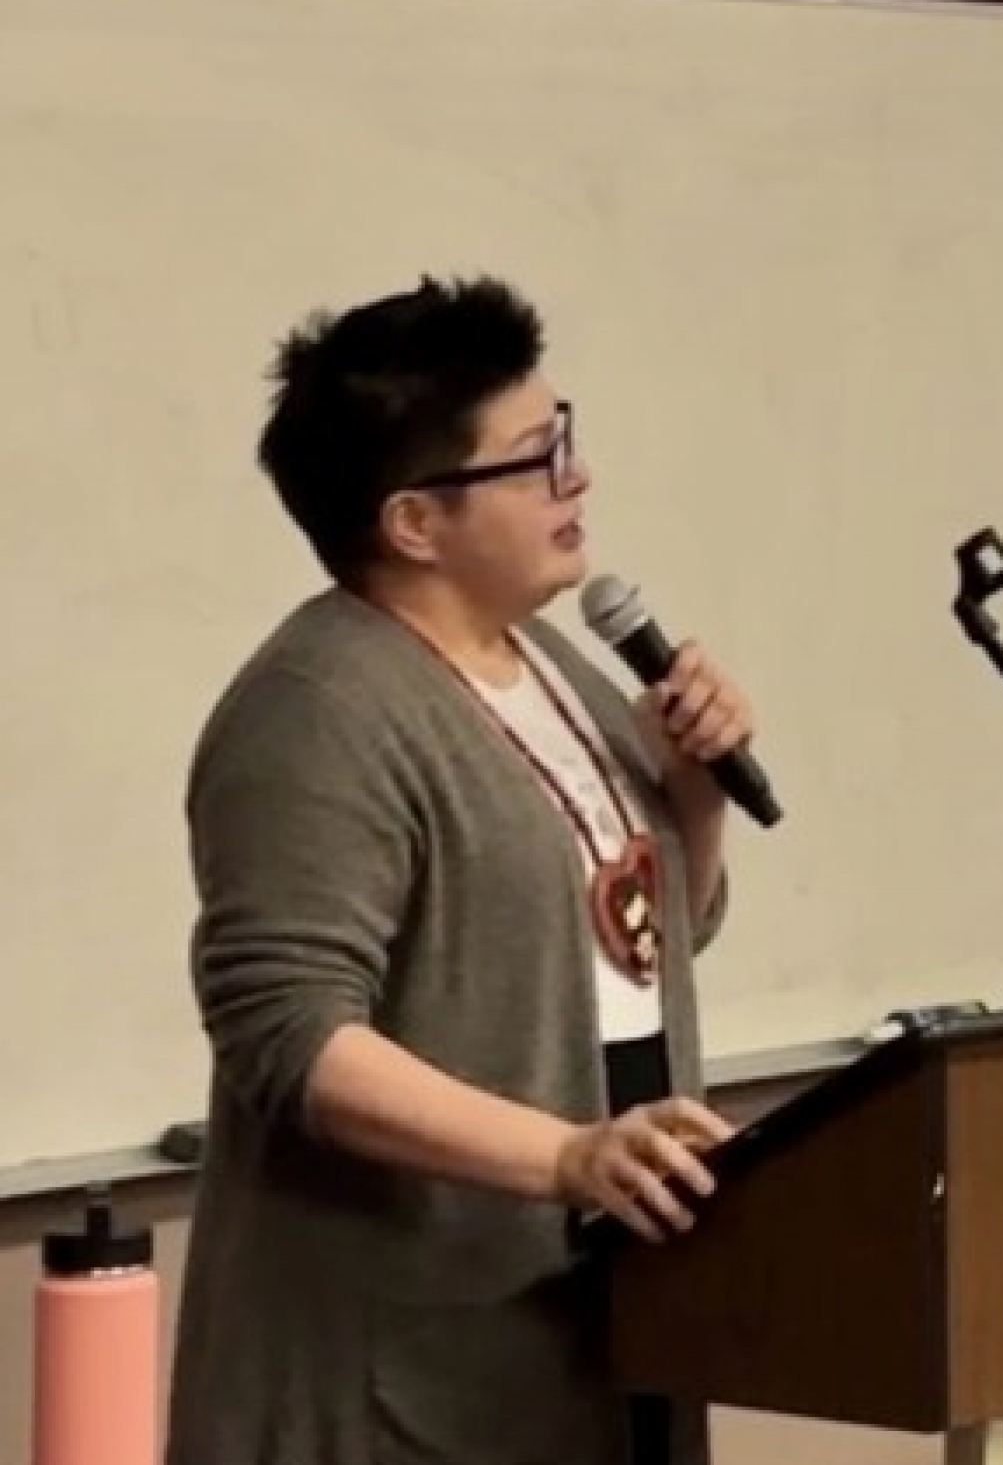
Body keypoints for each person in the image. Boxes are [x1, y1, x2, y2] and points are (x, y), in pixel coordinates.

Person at [166, 276, 755, 1465]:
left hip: (595, 1322)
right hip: (401, 1381)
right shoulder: (318, 709)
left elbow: (650, 941)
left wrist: (694, 791)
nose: (575, 478)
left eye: (566, 437)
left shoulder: (552, 667)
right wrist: (564, 1157)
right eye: (535, 457)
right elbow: (291, 1038)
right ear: (414, 523)